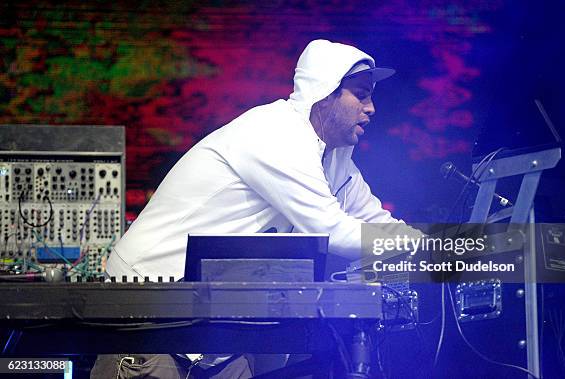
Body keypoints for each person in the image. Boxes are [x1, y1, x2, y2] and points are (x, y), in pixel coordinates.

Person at [94, 39, 416, 378]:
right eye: (361, 94)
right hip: (149, 310)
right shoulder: (276, 134)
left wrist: (446, 247)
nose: (371, 108)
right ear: (325, 92)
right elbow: (334, 230)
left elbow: (377, 222)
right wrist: (431, 248)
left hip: (212, 324)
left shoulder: (335, 158)